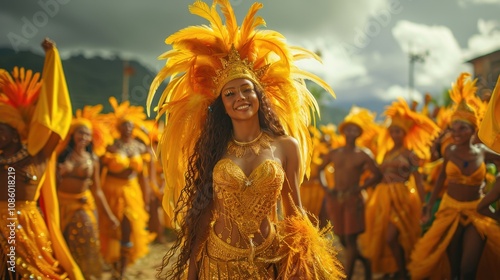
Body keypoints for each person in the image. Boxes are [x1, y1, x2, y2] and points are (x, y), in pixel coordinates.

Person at [147, 1, 345, 279]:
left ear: (259, 96)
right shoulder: (213, 149)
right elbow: (203, 214)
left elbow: (294, 211)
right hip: (218, 263)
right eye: (230, 94)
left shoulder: (286, 146)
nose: (240, 98)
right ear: (221, 106)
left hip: (270, 260)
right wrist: (192, 270)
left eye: (246, 90)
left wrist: (304, 262)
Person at [0, 38, 84, 279]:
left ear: (15, 130)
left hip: (27, 227)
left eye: (1, 128)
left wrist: (52, 60)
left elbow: (57, 121)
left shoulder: (38, 156)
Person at [409, 73, 500, 280]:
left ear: (473, 130)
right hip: (449, 211)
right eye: (453, 128)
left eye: (462, 128)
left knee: (468, 271)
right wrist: (427, 204)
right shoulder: (449, 151)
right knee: (454, 271)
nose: (456, 132)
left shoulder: (483, 153)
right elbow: (441, 178)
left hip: (476, 212)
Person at [359, 98, 439, 280]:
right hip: (382, 198)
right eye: (392, 131)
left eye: (398, 131)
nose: (395, 134)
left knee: (392, 237)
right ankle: (396, 270)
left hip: (401, 199)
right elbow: (378, 175)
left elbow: (418, 180)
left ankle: (403, 273)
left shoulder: (411, 155)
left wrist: (424, 203)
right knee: (387, 238)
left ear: (404, 134)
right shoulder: (386, 153)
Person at [317, 106, 382, 280]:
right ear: (343, 131)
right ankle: (365, 262)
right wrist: (327, 189)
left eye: (355, 129)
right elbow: (320, 170)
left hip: (353, 200)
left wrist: (360, 188)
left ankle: (348, 276)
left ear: (359, 133)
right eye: (349, 128)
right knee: (342, 237)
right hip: (336, 199)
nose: (352, 131)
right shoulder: (334, 153)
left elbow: (377, 174)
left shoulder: (363, 154)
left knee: (351, 239)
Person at [56, 105, 120, 279]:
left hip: (84, 205)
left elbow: (97, 190)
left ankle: (84, 275)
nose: (83, 137)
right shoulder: (60, 157)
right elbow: (49, 186)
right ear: (72, 135)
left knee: (86, 243)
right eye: (80, 133)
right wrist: (61, 173)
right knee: (62, 244)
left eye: (87, 134)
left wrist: (109, 215)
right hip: (61, 206)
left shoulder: (93, 159)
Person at [99, 97, 154, 279]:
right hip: (111, 190)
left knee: (128, 227)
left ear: (134, 128)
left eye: (130, 126)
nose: (127, 128)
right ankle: (115, 264)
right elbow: (99, 173)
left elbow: (144, 177)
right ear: (118, 128)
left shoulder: (140, 147)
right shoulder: (111, 146)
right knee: (112, 227)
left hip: (132, 191)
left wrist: (146, 199)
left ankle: (123, 267)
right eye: (124, 125)